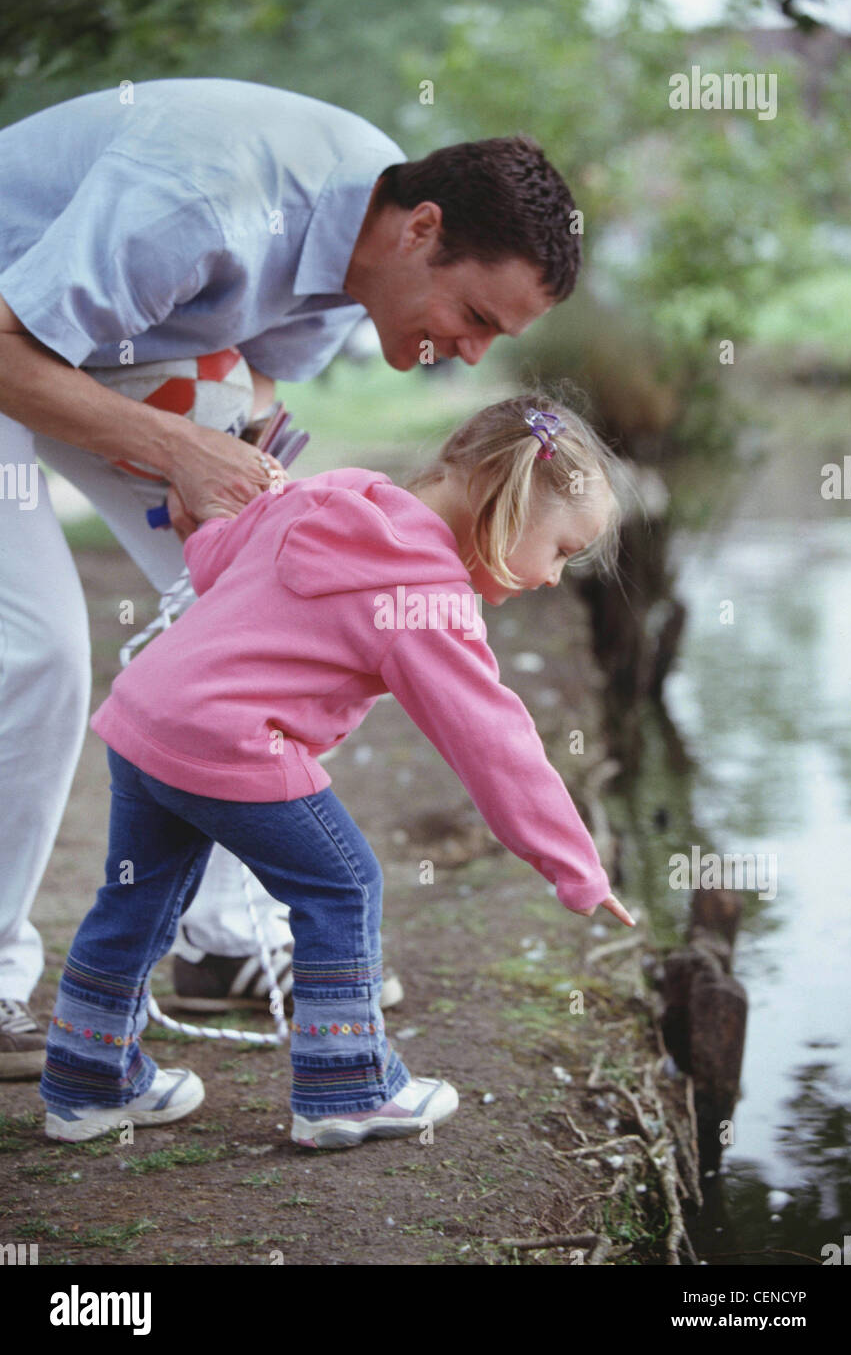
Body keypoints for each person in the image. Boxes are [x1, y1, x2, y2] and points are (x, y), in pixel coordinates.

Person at [0, 78, 581, 1077]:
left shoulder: (367, 246)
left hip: (78, 350)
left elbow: (239, 379)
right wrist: (181, 455)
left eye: (496, 342)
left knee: (267, 606)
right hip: (13, 338)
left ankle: (223, 941)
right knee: (37, 646)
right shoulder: (201, 196)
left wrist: (278, 494)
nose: (471, 352)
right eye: (474, 314)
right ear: (422, 230)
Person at [39, 392, 634, 1149]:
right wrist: (576, 866)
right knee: (343, 885)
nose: (554, 578)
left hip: (144, 719)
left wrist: (208, 520)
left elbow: (218, 562)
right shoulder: (426, 597)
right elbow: (494, 743)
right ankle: (347, 1085)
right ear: (501, 494)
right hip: (233, 743)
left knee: (135, 898)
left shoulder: (332, 492)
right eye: (560, 549)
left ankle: (87, 1083)